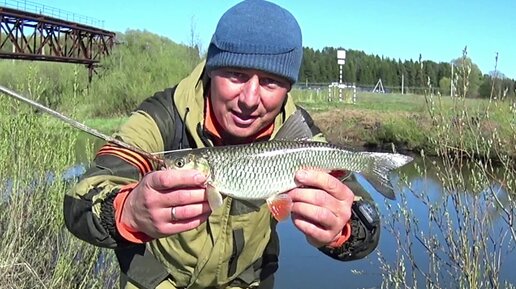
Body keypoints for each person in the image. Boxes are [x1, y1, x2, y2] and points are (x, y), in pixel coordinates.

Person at [64, 1, 380, 288]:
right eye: (236, 74)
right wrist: (127, 212)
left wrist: (342, 230)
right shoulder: (162, 116)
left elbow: (366, 226)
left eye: (271, 81)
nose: (250, 99)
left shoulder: (298, 134)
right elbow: (79, 203)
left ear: (288, 87)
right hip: (157, 280)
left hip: (248, 281)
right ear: (213, 70)